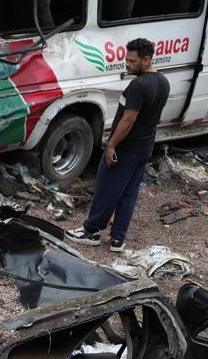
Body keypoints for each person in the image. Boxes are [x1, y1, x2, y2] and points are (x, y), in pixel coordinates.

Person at [65, 37, 169, 252]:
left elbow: (128, 120)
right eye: (126, 59)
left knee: (107, 189)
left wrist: (111, 145)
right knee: (129, 192)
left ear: (146, 60)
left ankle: (91, 231)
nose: (127, 64)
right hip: (145, 146)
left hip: (127, 148)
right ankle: (117, 239)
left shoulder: (138, 86)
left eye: (131, 61)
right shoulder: (163, 82)